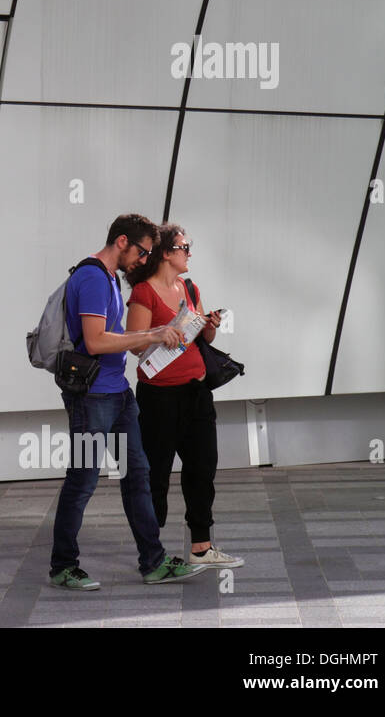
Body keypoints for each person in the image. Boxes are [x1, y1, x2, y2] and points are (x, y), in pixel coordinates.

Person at [49, 213, 209, 589]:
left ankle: (153, 562)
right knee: (83, 480)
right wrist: (150, 335)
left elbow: (110, 337)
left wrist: (149, 336)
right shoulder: (91, 277)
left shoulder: (106, 279)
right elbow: (96, 341)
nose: (143, 260)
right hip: (92, 400)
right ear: (122, 242)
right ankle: (62, 566)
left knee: (138, 476)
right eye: (142, 252)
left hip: (118, 395)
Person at [123, 223, 243, 568]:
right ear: (165, 253)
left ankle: (201, 548)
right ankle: (154, 552)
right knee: (156, 473)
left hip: (196, 391)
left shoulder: (189, 286)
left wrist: (209, 325)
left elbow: (204, 339)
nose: (189, 252)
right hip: (159, 396)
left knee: (203, 467)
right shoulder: (144, 293)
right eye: (183, 246)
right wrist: (161, 334)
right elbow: (134, 343)